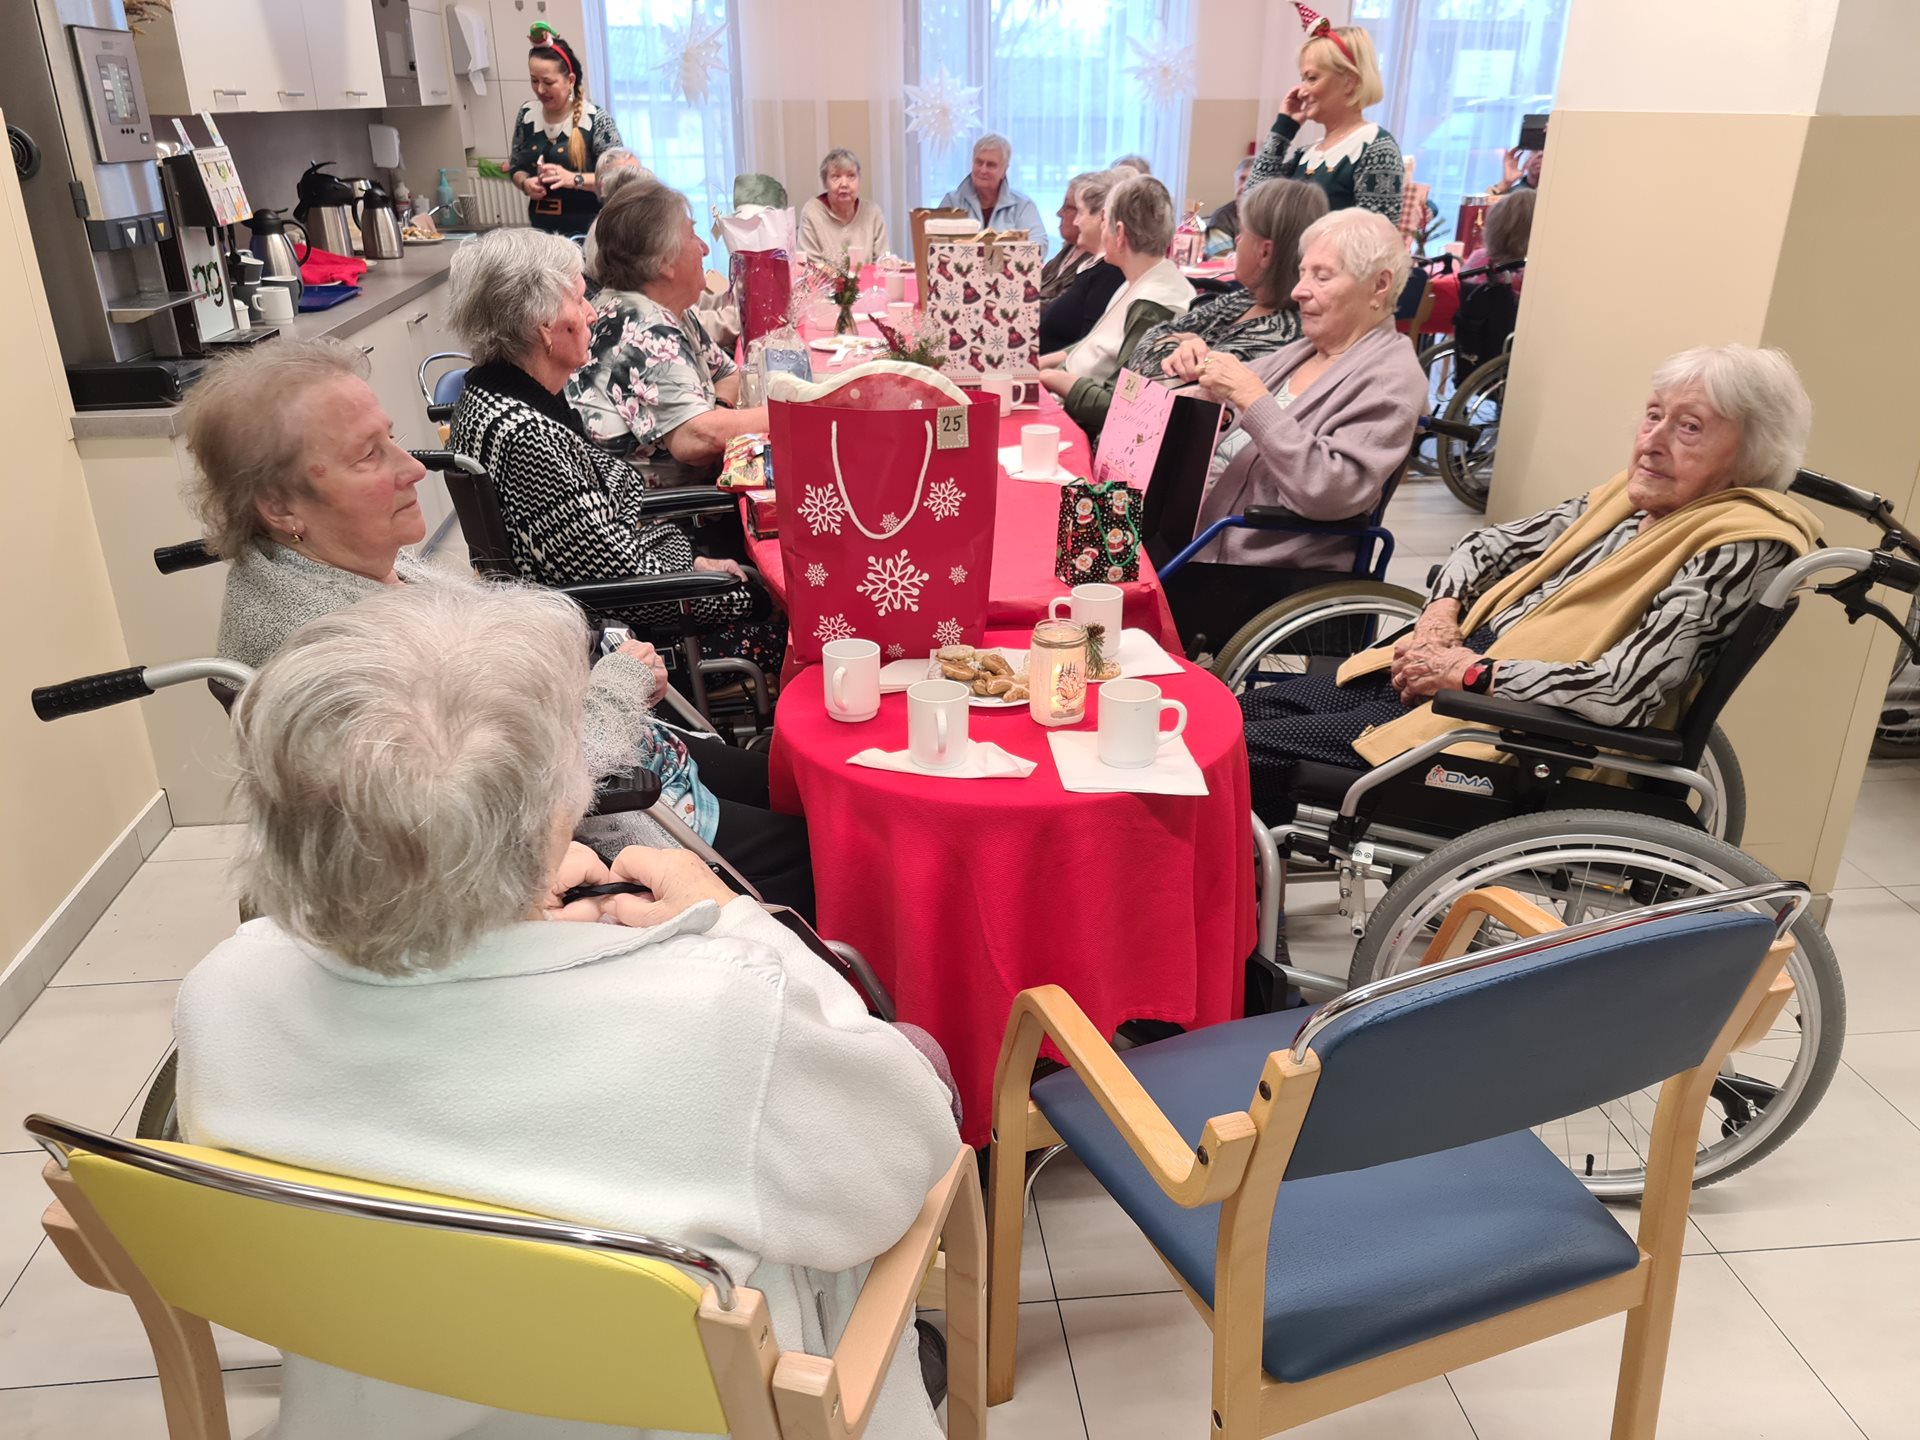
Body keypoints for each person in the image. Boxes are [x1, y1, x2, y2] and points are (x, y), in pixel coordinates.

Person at [174, 580, 959, 1440]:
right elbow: (901, 1169)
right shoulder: (721, 1010)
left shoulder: (224, 993)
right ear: (549, 812)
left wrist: (505, 926)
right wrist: (742, 923)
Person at [185, 337, 812, 917]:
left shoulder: (353, 561)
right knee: (824, 852)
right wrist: (612, 692)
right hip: (598, 819)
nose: (414, 469)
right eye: (369, 455)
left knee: (807, 787)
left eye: (392, 439)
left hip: (627, 753)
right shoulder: (324, 649)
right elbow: (500, 801)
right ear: (279, 505)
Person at [1240, 344, 1821, 826]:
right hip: (1450, 681)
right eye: (1653, 415)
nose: (1652, 441)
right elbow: (1485, 546)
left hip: (1508, 733)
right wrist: (1439, 619)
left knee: (1238, 756)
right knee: (1234, 716)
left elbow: (1620, 691)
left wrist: (1469, 673)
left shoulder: (1738, 542)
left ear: (1751, 455)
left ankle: (1239, 912)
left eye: (1689, 427)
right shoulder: (1628, 500)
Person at [448, 225, 789, 693]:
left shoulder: (502, 396)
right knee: (797, 618)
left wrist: (690, 560)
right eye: (578, 299)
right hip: (622, 648)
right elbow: (627, 586)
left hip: (613, 603)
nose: (592, 311)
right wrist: (749, 596)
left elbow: (606, 541)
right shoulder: (527, 437)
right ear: (544, 327)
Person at [1163, 208, 1426, 653]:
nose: (1298, 290)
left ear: (1379, 286)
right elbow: (1230, 397)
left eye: (1321, 277)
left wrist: (1250, 397)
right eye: (1303, 273)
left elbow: (1328, 490)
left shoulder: (1389, 380)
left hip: (1259, 568)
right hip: (1201, 536)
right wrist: (1199, 376)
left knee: (1104, 590)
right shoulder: (1309, 350)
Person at [1059, 178, 1326, 437]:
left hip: (1158, 454)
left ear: (1265, 252)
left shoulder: (1282, 333)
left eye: (1244, 233)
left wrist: (1183, 345)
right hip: (1127, 441)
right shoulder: (1241, 300)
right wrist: (1181, 342)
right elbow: (1145, 347)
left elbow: (1176, 399)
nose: (1236, 241)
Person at [568, 181, 771, 487]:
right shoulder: (643, 327)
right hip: (664, 509)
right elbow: (696, 440)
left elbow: (727, 374)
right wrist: (796, 413)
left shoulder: (668, 309)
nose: (704, 248)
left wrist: (719, 410)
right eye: (692, 236)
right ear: (663, 262)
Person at [1039, 175, 1193, 390]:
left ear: (1119, 233)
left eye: (1104, 220)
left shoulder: (1152, 303)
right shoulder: (1138, 280)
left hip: (1078, 407)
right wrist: (1041, 365)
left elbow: (1120, 398)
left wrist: (1048, 377)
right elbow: (1094, 344)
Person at [1248, 17, 1402, 225]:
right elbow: (1253, 206)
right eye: (1302, 79)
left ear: (1350, 81)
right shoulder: (1307, 155)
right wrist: (1284, 128)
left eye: (1312, 78)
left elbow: (1375, 238)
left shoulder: (1376, 149)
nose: (1301, 91)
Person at [507, 26, 621, 234]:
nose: (540, 89)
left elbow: (619, 177)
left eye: (548, 82)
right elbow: (516, 166)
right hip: (542, 232)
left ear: (570, 81)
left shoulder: (595, 119)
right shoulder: (527, 115)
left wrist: (573, 179)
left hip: (590, 233)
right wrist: (525, 183)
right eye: (534, 80)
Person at [1036, 170, 1125, 354]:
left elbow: (1089, 349)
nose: (1076, 222)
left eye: (1079, 212)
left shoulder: (1108, 271)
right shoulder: (1077, 255)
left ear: (1102, 217)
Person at [939, 133, 1048, 252]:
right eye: (979, 162)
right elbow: (936, 245)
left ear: (1004, 170)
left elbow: (1039, 245)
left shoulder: (1022, 205)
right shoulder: (952, 201)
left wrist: (994, 257)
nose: (983, 170)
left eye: (991, 165)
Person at [798, 148, 889, 266]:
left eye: (851, 176)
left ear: (859, 180)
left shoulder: (873, 213)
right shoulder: (812, 212)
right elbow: (811, 265)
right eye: (836, 177)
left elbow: (883, 261)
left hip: (868, 278)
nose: (844, 184)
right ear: (825, 183)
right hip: (823, 279)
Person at [581, 147, 649, 284]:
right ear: (602, 185)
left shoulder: (649, 223)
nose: (636, 178)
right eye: (624, 175)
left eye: (636, 170)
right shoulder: (603, 231)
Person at [1039, 170, 1101, 300]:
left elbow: (1056, 307)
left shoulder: (1096, 264)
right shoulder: (1070, 248)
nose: (1059, 213)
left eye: (1067, 207)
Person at [1204, 155, 1258, 252]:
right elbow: (1220, 258)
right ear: (1235, 182)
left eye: (1251, 181)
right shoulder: (1223, 218)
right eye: (1242, 179)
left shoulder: (1271, 218)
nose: (1244, 186)